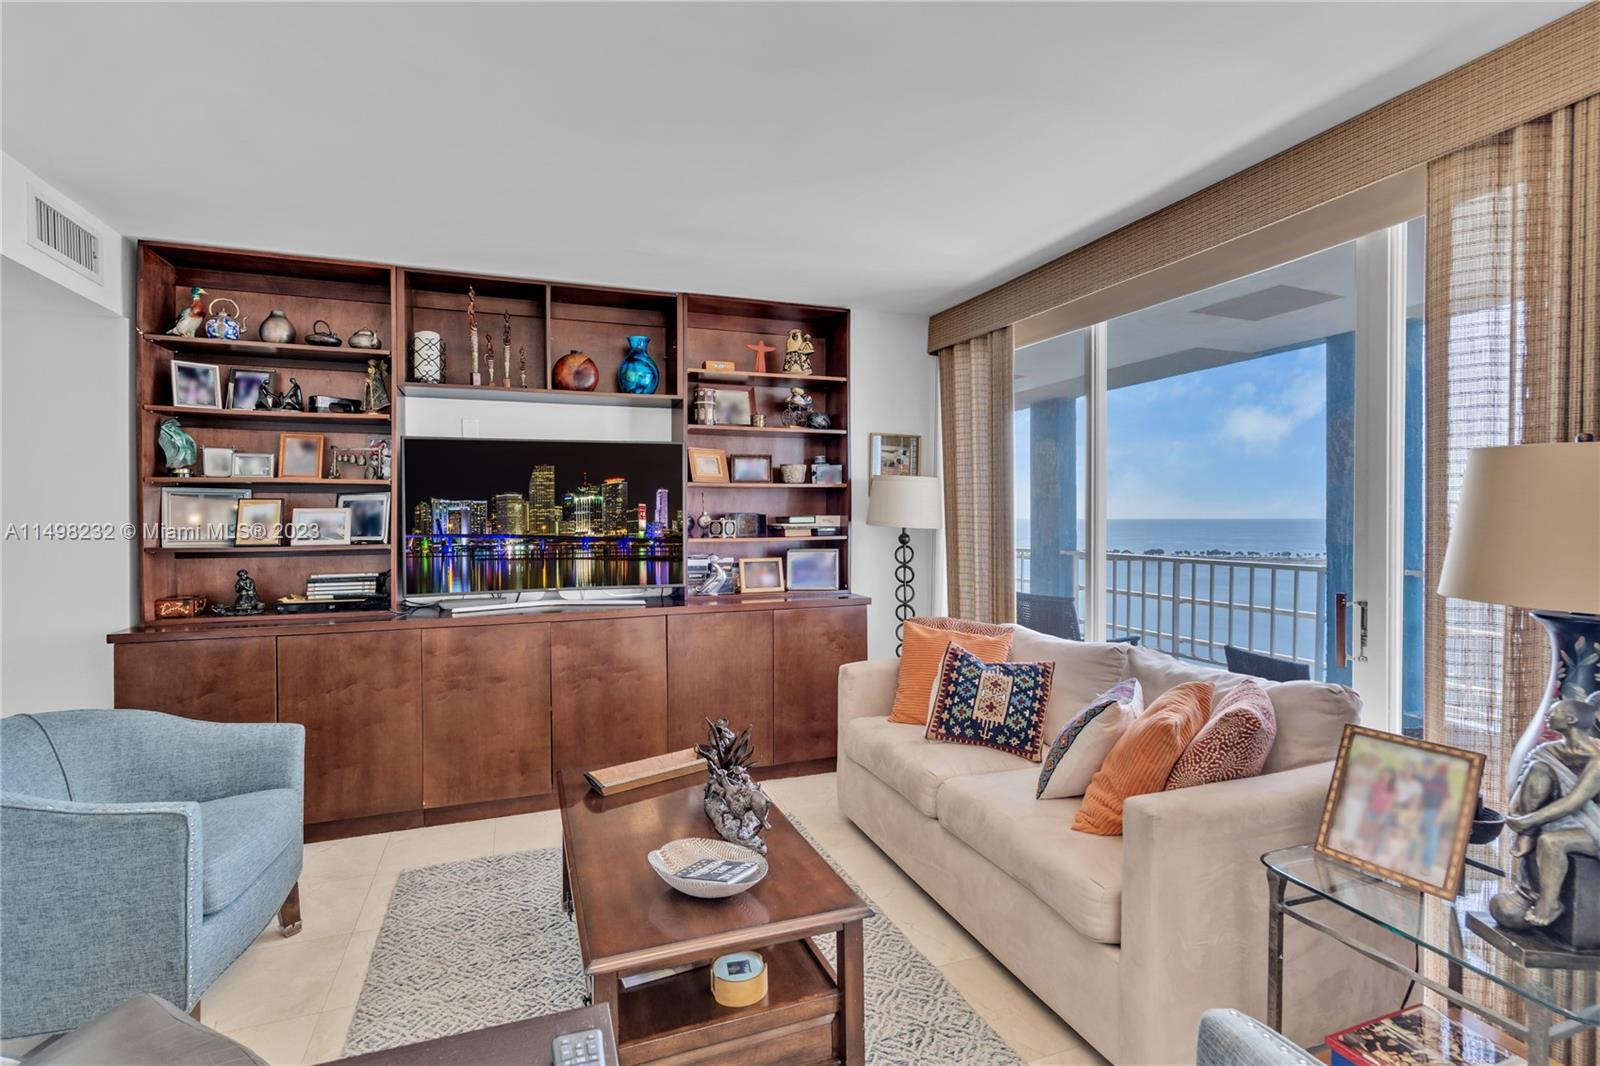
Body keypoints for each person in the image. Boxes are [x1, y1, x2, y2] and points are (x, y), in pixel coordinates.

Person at [1498, 693, 1600, 927]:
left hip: (1592, 822)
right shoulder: (1547, 751)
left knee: (1551, 842)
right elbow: (1521, 788)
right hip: (1559, 817)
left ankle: (1550, 903)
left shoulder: (1596, 761)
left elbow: (1572, 802)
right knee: (1539, 769)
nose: (1548, 714)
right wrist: (1520, 819)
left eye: (1555, 711)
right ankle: (1527, 837)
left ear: (1572, 719)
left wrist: (1528, 821)